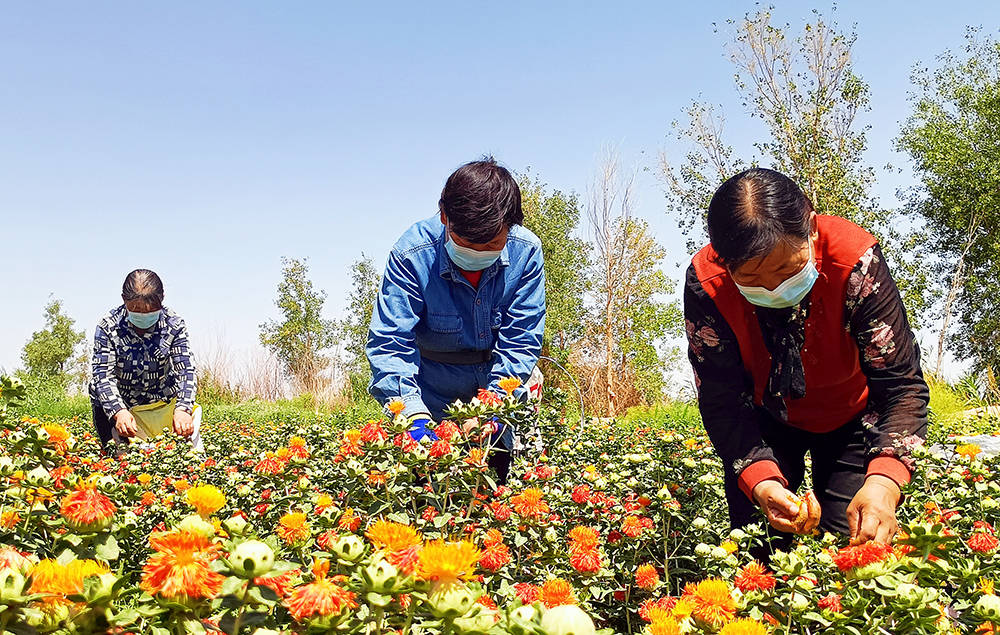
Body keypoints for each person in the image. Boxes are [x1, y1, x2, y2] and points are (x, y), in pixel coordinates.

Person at [683, 168, 928, 549]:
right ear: (725, 263)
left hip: (852, 417)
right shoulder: (707, 284)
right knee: (760, 550)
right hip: (763, 420)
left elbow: (901, 386)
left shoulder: (854, 261)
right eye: (751, 277)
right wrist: (760, 480)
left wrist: (883, 482)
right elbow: (722, 398)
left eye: (787, 269)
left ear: (812, 229)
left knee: (860, 545)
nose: (774, 288)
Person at [366, 157, 546, 482]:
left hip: (501, 380)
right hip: (432, 386)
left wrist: (490, 409)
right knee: (429, 488)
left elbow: (521, 340)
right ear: (444, 216)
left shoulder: (526, 251)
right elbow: (390, 345)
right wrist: (415, 420)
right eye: (466, 243)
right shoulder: (412, 254)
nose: (477, 255)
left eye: (492, 244)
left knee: (506, 484)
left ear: (511, 226)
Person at [89, 269, 201, 454]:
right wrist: (118, 411)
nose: (143, 316)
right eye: (136, 310)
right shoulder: (108, 326)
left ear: (162, 299)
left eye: (150, 311)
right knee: (117, 461)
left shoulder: (174, 325)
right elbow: (103, 376)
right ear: (124, 300)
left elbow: (186, 370)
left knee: (180, 457)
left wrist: (183, 409)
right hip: (121, 403)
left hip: (160, 401)